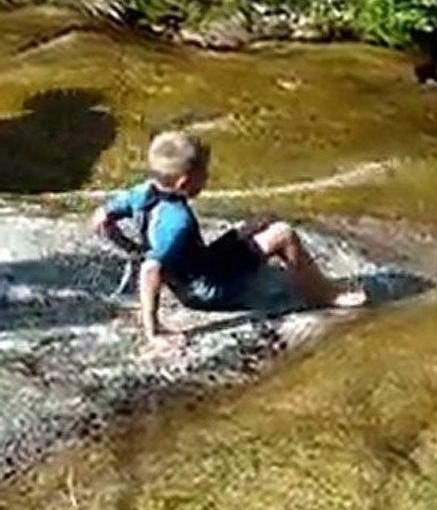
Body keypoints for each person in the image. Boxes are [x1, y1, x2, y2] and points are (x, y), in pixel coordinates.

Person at [91, 131, 365, 355]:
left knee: (259, 222)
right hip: (206, 290)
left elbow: (101, 218)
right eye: (205, 174)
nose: (208, 178)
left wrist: (130, 248)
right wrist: (154, 332)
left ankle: (300, 271)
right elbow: (151, 270)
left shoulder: (140, 193)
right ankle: (321, 294)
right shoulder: (177, 220)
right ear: (185, 183)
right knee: (283, 233)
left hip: (198, 266)